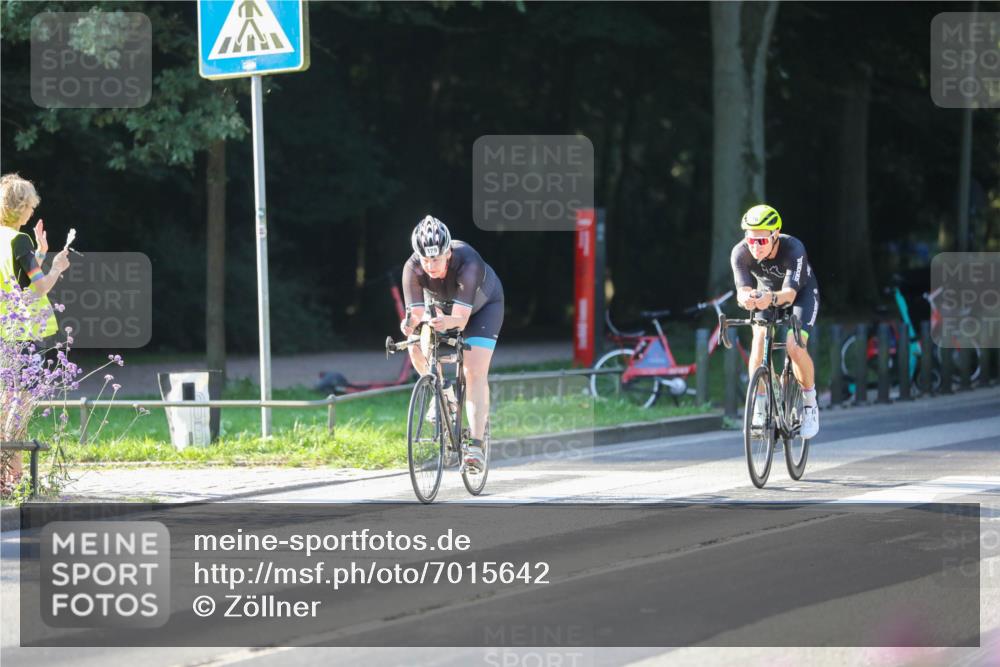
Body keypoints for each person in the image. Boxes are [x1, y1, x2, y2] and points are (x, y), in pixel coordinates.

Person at [400, 215, 504, 473]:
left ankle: (476, 446)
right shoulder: (412, 267)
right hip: (441, 306)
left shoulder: (468, 261)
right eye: (425, 259)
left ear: (448, 253)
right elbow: (414, 314)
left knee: (473, 370)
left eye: (436, 259)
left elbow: (460, 319)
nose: (430, 265)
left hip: (482, 308)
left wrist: (444, 323)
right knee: (413, 342)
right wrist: (410, 326)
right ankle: (442, 392)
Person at [0, 173, 70, 492]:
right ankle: (14, 476)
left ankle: (4, 475)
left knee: (5, 402)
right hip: (20, 334)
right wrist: (55, 267)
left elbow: (18, 277)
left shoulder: (7, 240)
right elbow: (39, 286)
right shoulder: (19, 240)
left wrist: (40, 254)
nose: (32, 212)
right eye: (30, 206)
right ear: (21, 206)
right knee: (20, 405)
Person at [730, 204, 820, 439]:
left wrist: (767, 298)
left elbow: (789, 295)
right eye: (750, 240)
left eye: (761, 241)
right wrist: (747, 298)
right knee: (758, 344)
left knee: (794, 345)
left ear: (775, 235)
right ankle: (760, 408)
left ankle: (810, 403)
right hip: (765, 294)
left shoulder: (794, 249)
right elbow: (742, 290)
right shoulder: (740, 252)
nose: (754, 246)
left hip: (800, 295)